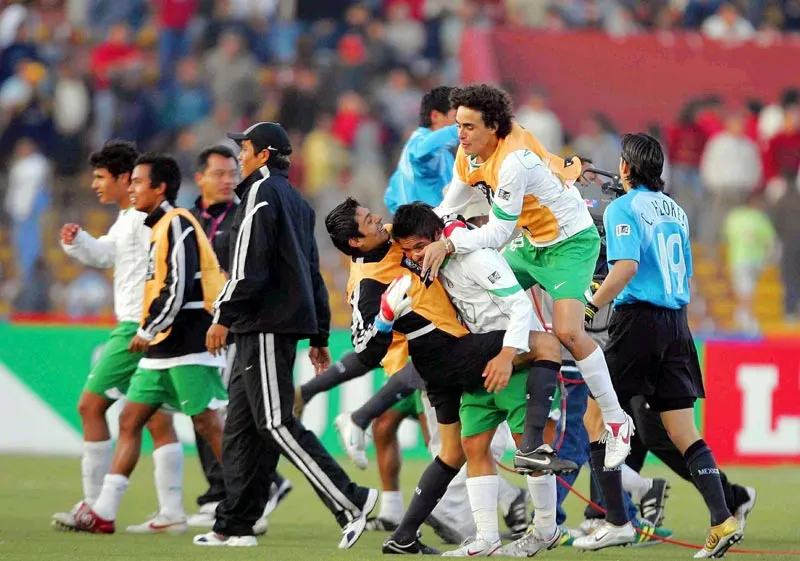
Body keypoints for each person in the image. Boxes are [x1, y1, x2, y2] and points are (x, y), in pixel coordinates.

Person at [325, 197, 572, 555]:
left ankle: (403, 536)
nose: (379, 219)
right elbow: (364, 349)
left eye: (372, 213)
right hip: (445, 353)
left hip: (435, 368)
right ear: (355, 242)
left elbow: (441, 219)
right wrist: (385, 316)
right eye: (368, 220)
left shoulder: (394, 237)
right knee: (548, 345)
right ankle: (533, 451)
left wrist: (452, 233)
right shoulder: (366, 285)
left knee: (453, 453)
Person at [426, 83, 633, 472]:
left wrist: (450, 245)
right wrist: (408, 236)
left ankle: (617, 420)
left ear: (494, 127)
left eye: (469, 127)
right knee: (482, 300)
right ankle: (504, 402)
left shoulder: (512, 161)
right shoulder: (469, 153)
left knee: (569, 332)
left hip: (569, 242)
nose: (461, 134)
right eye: (459, 126)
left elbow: (497, 234)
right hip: (531, 242)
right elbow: (448, 206)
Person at [197, 122, 377, 549]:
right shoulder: (296, 201)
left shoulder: (260, 194)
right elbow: (310, 269)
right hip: (272, 326)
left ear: (263, 155)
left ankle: (352, 501)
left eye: (244, 148)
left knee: (276, 423)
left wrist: (223, 313)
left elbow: (247, 266)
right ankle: (235, 523)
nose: (239, 155)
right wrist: (317, 334)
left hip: (261, 324)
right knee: (243, 429)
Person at [572, 133, 744, 558]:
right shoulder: (677, 211)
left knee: (596, 417)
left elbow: (626, 266)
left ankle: (615, 521)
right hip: (677, 324)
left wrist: (590, 306)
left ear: (626, 168)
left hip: (640, 322)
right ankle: (723, 518)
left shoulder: (622, 207)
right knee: (683, 430)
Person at [68, 153, 229, 534]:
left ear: (159, 188)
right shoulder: (153, 224)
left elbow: (176, 286)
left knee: (208, 424)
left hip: (184, 340)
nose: (132, 189)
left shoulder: (177, 224)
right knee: (132, 418)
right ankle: (104, 511)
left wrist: (147, 328)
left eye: (139, 183)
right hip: (159, 343)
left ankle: (248, 500)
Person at [53, 141, 185, 535]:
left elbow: (161, 272)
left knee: (90, 407)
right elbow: (109, 255)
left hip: (136, 327)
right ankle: (172, 511)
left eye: (100, 177)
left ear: (124, 179)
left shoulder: (148, 219)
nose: (95, 185)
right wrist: (78, 243)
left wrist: (148, 324)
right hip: (145, 326)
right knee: (156, 421)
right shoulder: (130, 218)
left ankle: (93, 505)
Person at [186, 145, 292, 533]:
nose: (228, 179)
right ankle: (222, 492)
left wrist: (229, 317)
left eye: (232, 172)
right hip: (197, 330)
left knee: (227, 414)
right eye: (219, 173)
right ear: (200, 178)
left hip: (233, 327)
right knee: (204, 413)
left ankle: (259, 487)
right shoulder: (189, 218)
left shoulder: (246, 212)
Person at [384, 85, 458, 213]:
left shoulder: (443, 154)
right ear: (435, 116)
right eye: (457, 117)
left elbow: (391, 198)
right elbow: (421, 152)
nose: (460, 122)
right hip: (430, 228)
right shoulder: (419, 146)